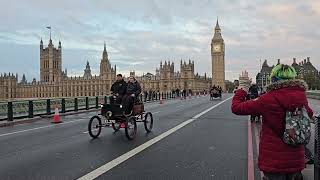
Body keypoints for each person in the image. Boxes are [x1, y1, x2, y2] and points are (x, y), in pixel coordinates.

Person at [231, 65, 314, 180]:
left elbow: (237, 108)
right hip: (296, 159)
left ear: (273, 79)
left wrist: (243, 88)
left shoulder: (267, 98)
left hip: (274, 162)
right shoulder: (301, 97)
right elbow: (309, 114)